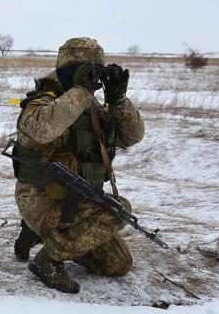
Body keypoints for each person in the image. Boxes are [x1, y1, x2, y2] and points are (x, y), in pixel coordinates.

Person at [11, 37, 144, 293]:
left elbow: (133, 136)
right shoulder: (43, 101)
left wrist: (118, 100)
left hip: (79, 199)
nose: (95, 80)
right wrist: (80, 91)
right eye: (89, 71)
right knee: (119, 210)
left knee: (118, 264)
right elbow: (40, 129)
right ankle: (47, 258)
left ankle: (48, 238)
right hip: (43, 200)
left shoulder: (90, 107)